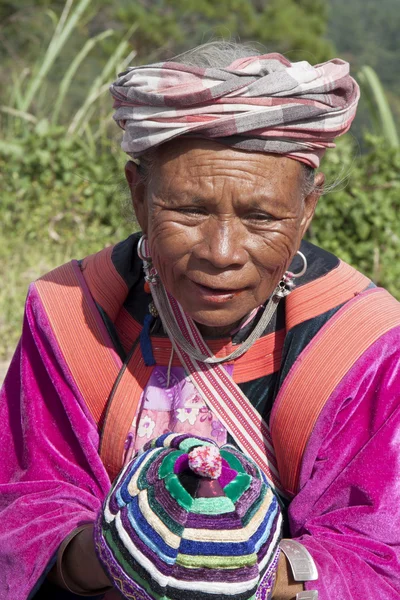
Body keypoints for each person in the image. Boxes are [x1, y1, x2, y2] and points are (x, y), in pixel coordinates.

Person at [1, 41, 399, 600]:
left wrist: (241, 567)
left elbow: (378, 556)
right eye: (189, 210)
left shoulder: (365, 348)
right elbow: (28, 505)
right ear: (140, 197)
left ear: (306, 212)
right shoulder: (72, 317)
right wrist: (113, 553)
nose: (222, 251)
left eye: (262, 217)